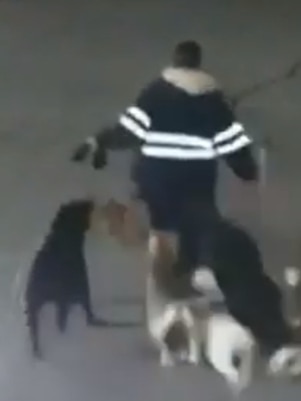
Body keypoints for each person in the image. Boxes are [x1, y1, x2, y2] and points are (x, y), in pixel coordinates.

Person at [81, 40, 258, 281]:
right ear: (197, 63)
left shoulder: (153, 93)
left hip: (155, 176)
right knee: (195, 225)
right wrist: (246, 169)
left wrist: (100, 140)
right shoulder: (215, 102)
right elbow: (232, 143)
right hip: (196, 179)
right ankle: (189, 270)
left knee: (159, 224)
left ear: (175, 61)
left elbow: (129, 133)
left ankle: (159, 270)